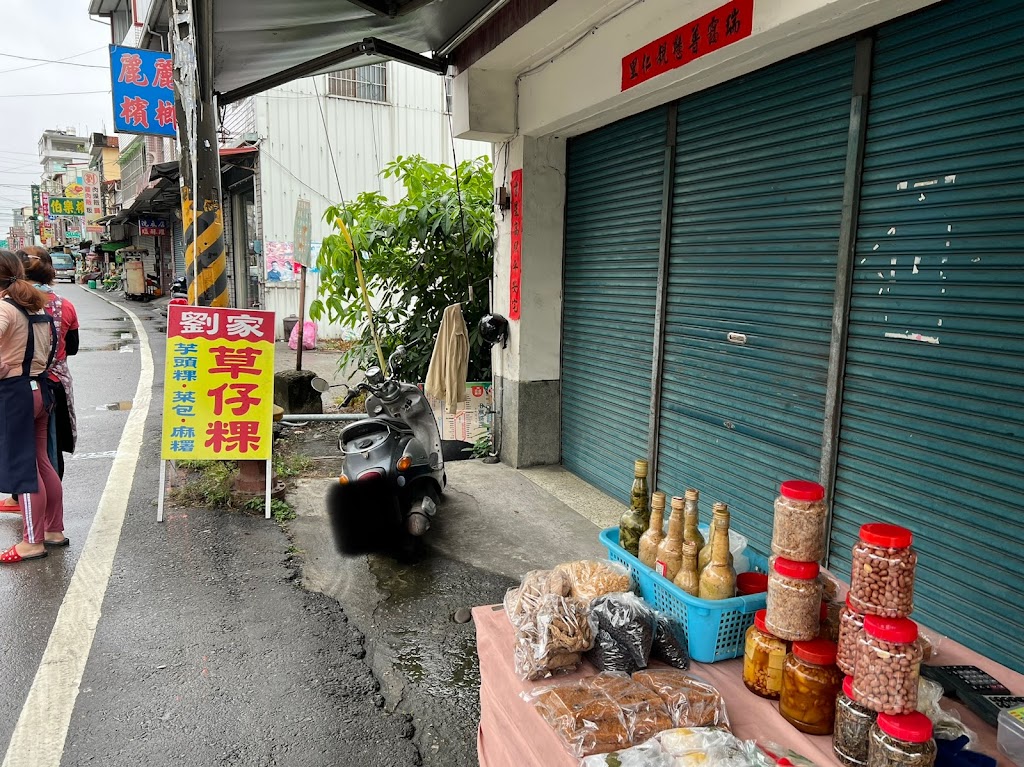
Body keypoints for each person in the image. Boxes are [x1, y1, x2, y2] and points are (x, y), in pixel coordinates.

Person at [0, 249, 65, 564]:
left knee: (25, 469)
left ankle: (31, 542)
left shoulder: (5, 309)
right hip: (42, 389)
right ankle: (54, 530)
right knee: (42, 462)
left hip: (16, 395)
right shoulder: (36, 308)